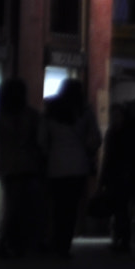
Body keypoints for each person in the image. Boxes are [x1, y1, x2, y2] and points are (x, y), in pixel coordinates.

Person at [0, 77, 46, 260]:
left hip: (6, 165)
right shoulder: (32, 115)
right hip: (28, 165)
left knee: (11, 206)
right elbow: (39, 141)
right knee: (22, 207)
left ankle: (7, 242)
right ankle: (15, 243)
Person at [42, 79, 100, 257]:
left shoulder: (51, 110)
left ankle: (54, 241)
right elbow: (96, 138)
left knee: (56, 207)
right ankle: (65, 245)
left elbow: (41, 139)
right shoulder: (85, 111)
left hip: (55, 165)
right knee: (71, 208)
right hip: (78, 166)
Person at [100, 92, 135, 254]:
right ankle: (127, 239)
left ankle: (124, 240)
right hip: (127, 174)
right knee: (125, 209)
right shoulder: (131, 132)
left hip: (123, 175)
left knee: (122, 210)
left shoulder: (118, 133)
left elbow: (109, 156)